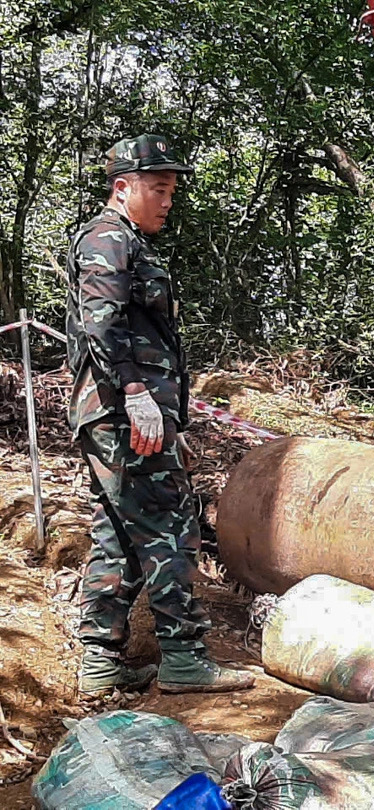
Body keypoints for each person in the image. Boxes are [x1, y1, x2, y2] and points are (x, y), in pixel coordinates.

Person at [65, 134, 254, 695]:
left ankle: (100, 662)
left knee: (118, 534)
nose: (168, 201)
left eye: (172, 190)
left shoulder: (127, 242)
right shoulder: (107, 240)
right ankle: (185, 659)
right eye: (159, 188)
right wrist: (137, 395)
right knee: (170, 526)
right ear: (123, 188)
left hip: (123, 413)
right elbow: (103, 326)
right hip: (123, 415)